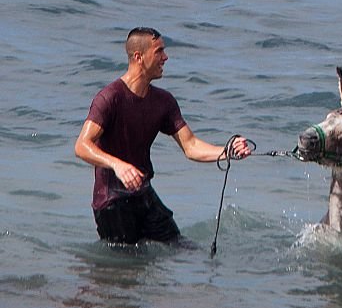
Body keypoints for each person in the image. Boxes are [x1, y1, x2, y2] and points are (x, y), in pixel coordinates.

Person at [74, 27, 251, 246]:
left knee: (183, 249)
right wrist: (118, 165)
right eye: (159, 51)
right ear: (138, 57)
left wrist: (227, 151)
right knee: (125, 274)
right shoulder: (109, 98)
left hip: (144, 195)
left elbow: (191, 145)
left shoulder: (164, 102)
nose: (165, 57)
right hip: (112, 203)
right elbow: (82, 145)